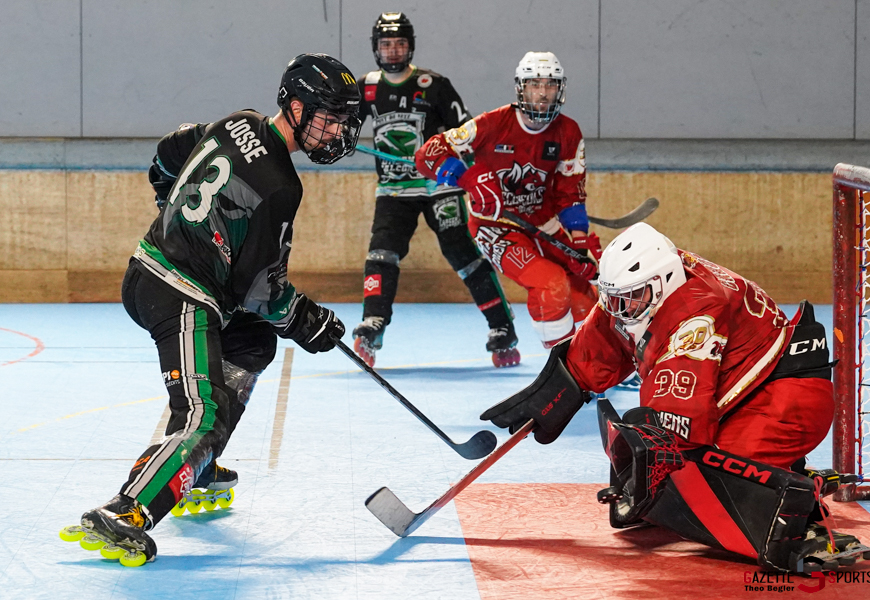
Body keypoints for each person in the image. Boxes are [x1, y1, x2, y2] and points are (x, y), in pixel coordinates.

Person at [59, 53, 362, 566]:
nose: (335, 132)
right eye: (328, 119)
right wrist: (308, 321)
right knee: (205, 414)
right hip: (177, 289)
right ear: (294, 107)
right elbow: (262, 290)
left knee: (253, 341)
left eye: (342, 121)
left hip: (170, 276)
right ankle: (127, 509)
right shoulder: (281, 186)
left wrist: (169, 201)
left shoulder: (237, 122)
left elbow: (171, 149)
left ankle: (194, 464)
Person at [481, 222, 870, 574]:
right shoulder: (648, 284)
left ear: (662, 284)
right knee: (678, 471)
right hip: (743, 392)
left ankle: (800, 519)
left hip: (787, 400)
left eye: (628, 299)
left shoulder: (695, 313)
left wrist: (652, 458)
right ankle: (783, 471)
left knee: (709, 475)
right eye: (614, 298)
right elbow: (605, 334)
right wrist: (557, 391)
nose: (620, 309)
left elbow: (680, 420)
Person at [352, 12, 518, 369]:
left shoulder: (434, 85)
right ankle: (373, 322)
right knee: (381, 253)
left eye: (400, 44)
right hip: (394, 190)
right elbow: (341, 125)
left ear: (410, 46)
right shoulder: (365, 87)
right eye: (386, 44)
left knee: (463, 254)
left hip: (440, 187)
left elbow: (469, 133)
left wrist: (470, 173)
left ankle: (502, 326)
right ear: (376, 48)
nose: (393, 51)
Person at [415, 51, 602, 350]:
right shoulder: (491, 124)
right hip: (495, 226)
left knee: (585, 298)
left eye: (550, 84)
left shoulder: (568, 131)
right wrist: (467, 178)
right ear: (521, 88)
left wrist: (578, 244)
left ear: (560, 89)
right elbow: (427, 154)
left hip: (543, 224)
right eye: (535, 84)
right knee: (551, 284)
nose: (543, 92)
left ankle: (600, 362)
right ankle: (563, 367)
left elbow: (570, 192)